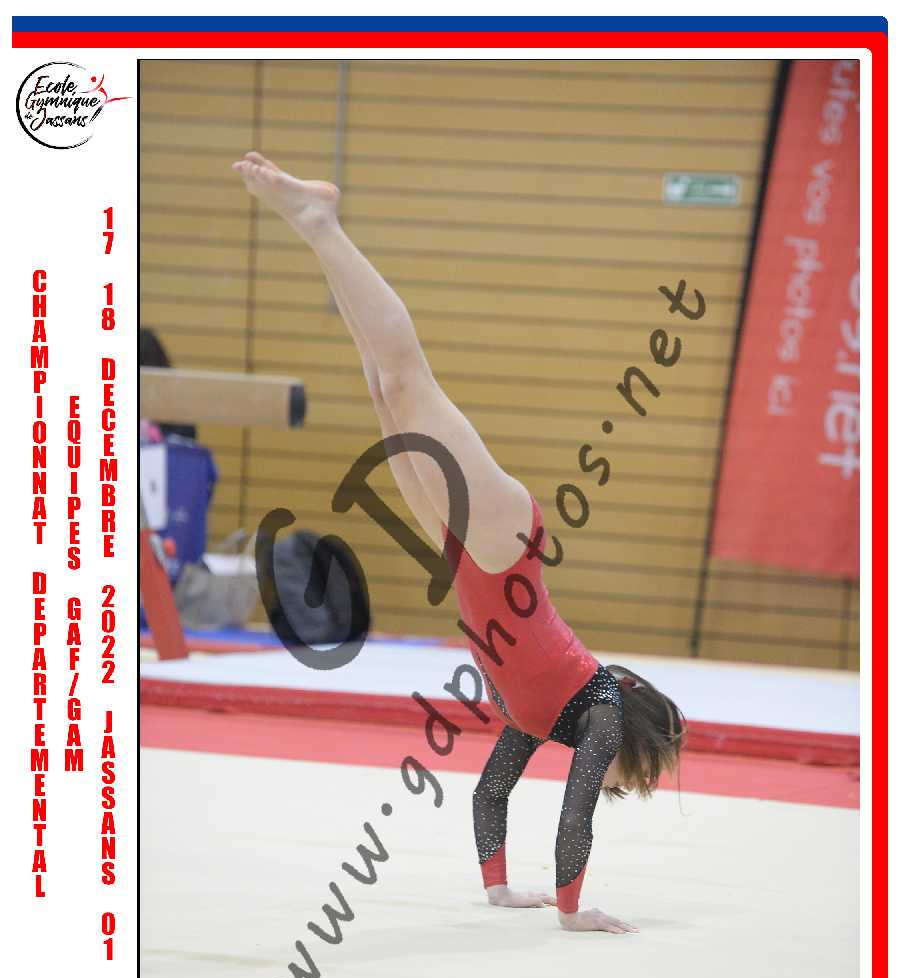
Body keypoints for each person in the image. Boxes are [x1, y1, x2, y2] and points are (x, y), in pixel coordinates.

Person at [232, 152, 686, 934]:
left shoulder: (539, 718)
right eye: (634, 777)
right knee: (409, 380)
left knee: (385, 387)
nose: (619, 784)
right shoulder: (603, 709)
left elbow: (489, 793)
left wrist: (499, 889)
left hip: (466, 558)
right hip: (507, 550)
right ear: (636, 740)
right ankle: (319, 221)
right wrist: (572, 912)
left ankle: (317, 228)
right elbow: (576, 812)